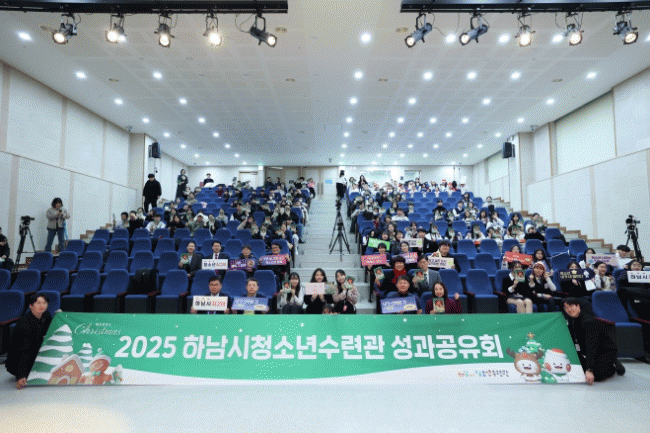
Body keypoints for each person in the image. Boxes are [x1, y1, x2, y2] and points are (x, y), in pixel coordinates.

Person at [563, 297, 625, 384]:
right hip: (589, 352)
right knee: (579, 370)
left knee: (595, 376)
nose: (569, 309)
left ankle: (613, 366)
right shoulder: (572, 322)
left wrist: (589, 369)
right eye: (566, 307)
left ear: (578, 306)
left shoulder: (588, 321)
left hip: (605, 351)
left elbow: (591, 346)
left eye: (571, 306)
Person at [6, 294, 53, 389]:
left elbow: (51, 329)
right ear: (31, 306)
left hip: (34, 351)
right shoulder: (25, 325)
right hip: (17, 360)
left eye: (44, 303)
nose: (42, 306)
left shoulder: (46, 315)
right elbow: (23, 351)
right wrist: (21, 376)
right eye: (38, 303)